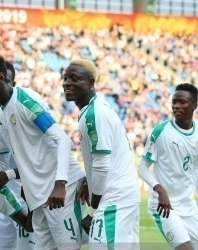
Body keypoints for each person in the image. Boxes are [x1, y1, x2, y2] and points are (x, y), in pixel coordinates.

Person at [0, 53, 86, 250]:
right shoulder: (0, 117)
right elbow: (0, 164)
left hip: (61, 191)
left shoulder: (26, 100)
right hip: (38, 198)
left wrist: (60, 184)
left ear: (0, 78)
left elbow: (63, 140)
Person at [63, 58, 140, 249]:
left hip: (114, 199)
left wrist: (93, 210)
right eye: (65, 78)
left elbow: (102, 164)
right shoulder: (92, 109)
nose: (67, 83)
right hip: (121, 196)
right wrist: (90, 181)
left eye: (74, 78)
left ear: (90, 83)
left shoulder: (95, 113)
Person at [138, 83, 198, 250]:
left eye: (182, 102)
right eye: (174, 102)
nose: (176, 106)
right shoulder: (161, 131)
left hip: (188, 205)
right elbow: (142, 167)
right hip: (164, 206)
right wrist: (160, 190)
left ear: (194, 105)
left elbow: (195, 169)